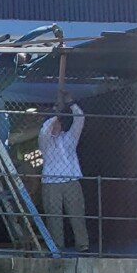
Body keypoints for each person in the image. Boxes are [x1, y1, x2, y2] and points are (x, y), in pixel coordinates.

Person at [35, 99, 89, 252]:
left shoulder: (69, 138)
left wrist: (71, 104)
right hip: (51, 181)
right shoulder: (45, 141)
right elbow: (45, 130)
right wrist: (56, 114)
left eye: (58, 123)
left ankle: (82, 244)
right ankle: (57, 246)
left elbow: (80, 120)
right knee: (54, 216)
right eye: (54, 123)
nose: (56, 125)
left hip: (71, 179)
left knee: (77, 213)